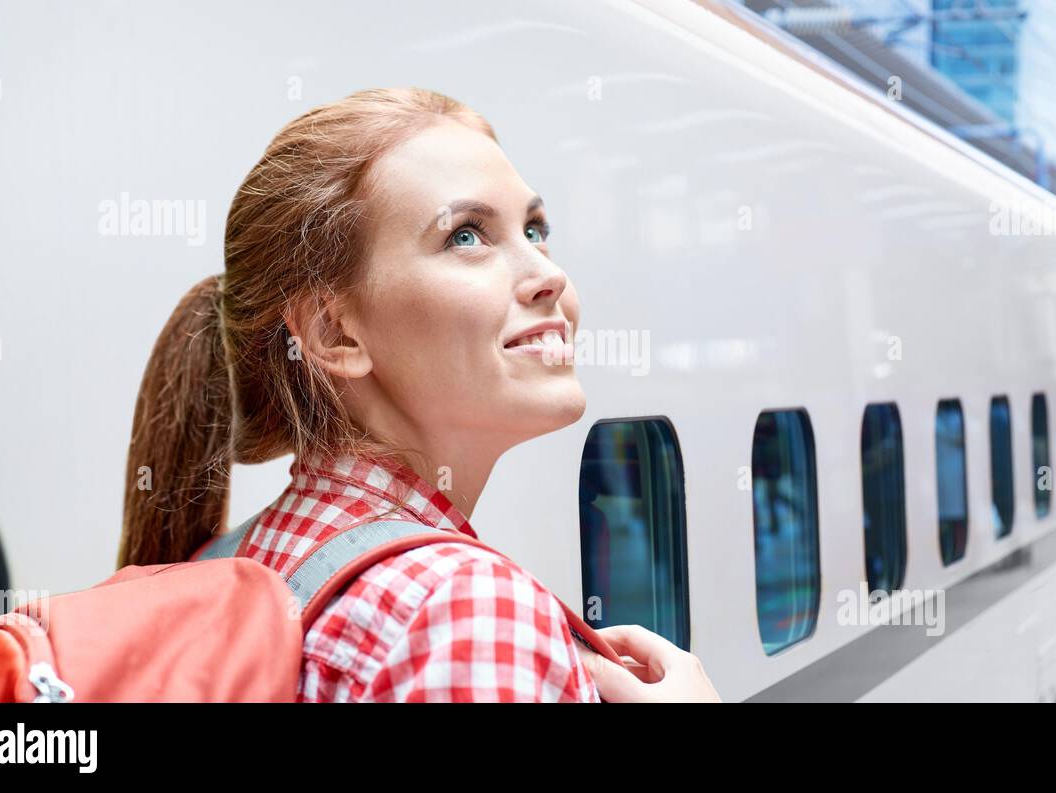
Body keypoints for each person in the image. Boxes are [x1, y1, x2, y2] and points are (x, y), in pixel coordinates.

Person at [117, 87, 720, 703]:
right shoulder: (472, 614)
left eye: (535, 230)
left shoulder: (226, 561)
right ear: (334, 333)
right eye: (466, 236)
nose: (550, 275)